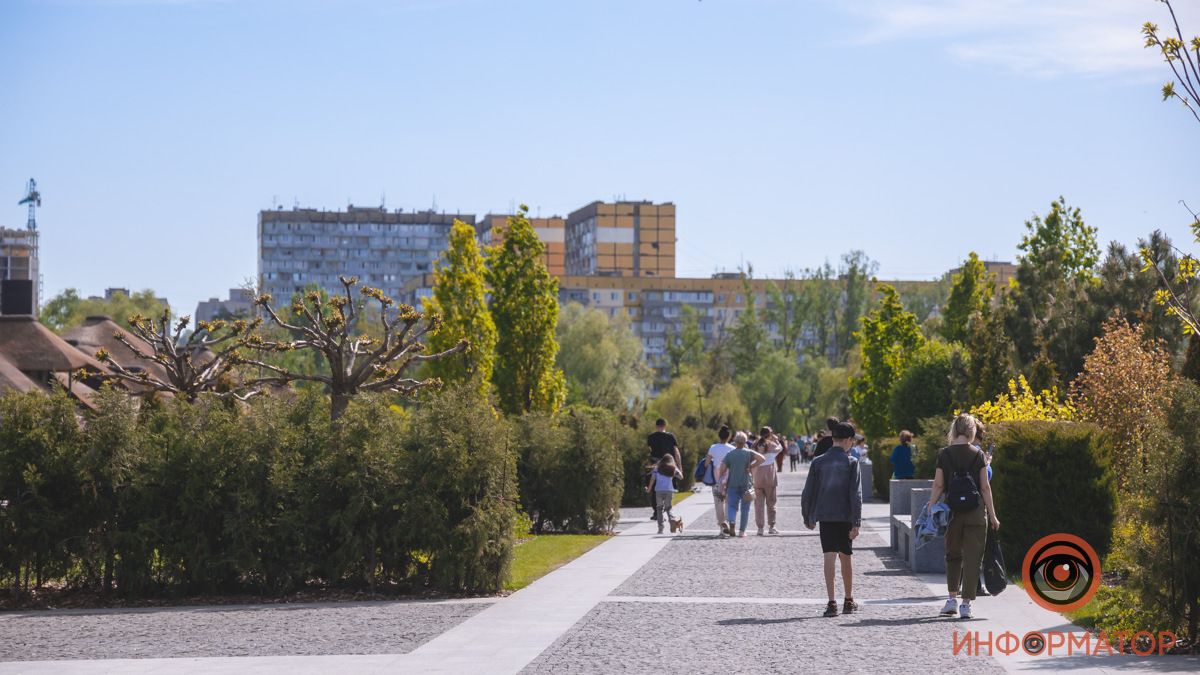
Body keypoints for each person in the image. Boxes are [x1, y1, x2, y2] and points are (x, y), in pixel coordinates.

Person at [926, 413, 1001, 620]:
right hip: (976, 511)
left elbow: (938, 484)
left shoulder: (944, 454)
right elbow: (985, 488)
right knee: (973, 558)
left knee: (952, 555)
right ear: (971, 431)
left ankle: (951, 600)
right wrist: (993, 515)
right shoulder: (979, 455)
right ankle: (966, 604)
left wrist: (931, 505)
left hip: (952, 511)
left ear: (954, 430)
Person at [802, 420, 863, 617]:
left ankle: (831, 603)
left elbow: (808, 492)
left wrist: (808, 515)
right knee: (846, 556)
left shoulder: (818, 462)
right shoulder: (852, 462)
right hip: (845, 516)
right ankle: (848, 600)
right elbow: (856, 495)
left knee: (829, 556)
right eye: (852, 440)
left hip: (826, 516)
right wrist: (856, 522)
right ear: (847, 440)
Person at [717, 431, 764, 538]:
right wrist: (752, 466)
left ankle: (732, 523)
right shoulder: (748, 453)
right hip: (746, 485)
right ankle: (742, 531)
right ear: (745, 441)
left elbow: (722, 469)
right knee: (745, 509)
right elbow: (762, 458)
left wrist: (723, 475)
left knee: (732, 506)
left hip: (732, 484)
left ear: (735, 441)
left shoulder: (730, 454)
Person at [647, 418, 681, 521]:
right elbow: (676, 452)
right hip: (668, 465)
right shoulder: (670, 437)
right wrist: (679, 466)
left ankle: (657, 512)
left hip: (655, 464)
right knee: (668, 487)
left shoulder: (651, 437)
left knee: (655, 488)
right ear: (665, 425)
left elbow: (648, 452)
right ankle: (667, 510)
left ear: (656, 426)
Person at [704, 425, 736, 536]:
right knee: (729, 502)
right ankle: (727, 521)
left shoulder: (713, 447)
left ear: (719, 436)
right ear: (729, 436)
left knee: (718, 503)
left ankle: (722, 527)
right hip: (729, 478)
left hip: (716, 479)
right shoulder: (732, 449)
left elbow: (706, 463)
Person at [752, 427, 784, 536]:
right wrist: (776, 440)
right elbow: (780, 448)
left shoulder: (755, 445)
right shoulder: (772, 444)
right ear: (770, 434)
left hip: (757, 478)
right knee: (771, 503)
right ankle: (771, 526)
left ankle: (760, 528)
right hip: (770, 478)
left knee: (758, 505)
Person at [646, 454, 683, 534]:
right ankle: (672, 521)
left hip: (659, 490)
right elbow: (681, 477)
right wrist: (677, 468)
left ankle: (660, 529)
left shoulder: (657, 468)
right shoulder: (673, 468)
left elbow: (652, 479)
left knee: (659, 509)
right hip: (669, 490)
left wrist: (649, 489)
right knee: (668, 508)